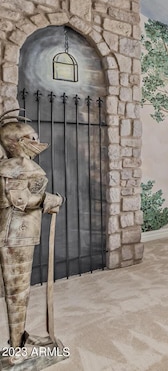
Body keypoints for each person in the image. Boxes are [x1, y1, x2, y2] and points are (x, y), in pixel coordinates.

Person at [0, 113, 63, 349]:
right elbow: (21, 200)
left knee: (19, 290)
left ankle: (19, 338)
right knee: (18, 290)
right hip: (17, 232)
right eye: (31, 137)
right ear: (16, 142)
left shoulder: (10, 166)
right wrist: (50, 200)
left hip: (18, 231)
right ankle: (16, 347)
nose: (37, 140)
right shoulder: (16, 166)